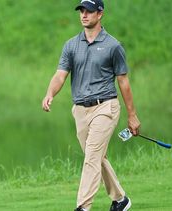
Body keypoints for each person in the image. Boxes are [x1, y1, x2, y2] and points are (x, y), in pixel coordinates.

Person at [41, 0, 141, 210]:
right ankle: (121, 199)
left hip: (106, 107)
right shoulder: (71, 45)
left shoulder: (113, 46)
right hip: (80, 110)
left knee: (92, 157)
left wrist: (132, 115)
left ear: (100, 14)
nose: (84, 15)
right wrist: (50, 93)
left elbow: (123, 82)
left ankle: (83, 206)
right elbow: (60, 75)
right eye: (82, 11)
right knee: (95, 157)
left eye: (89, 11)